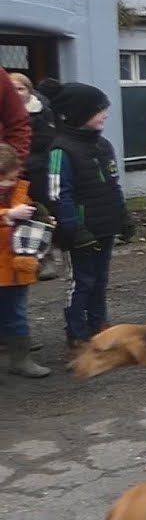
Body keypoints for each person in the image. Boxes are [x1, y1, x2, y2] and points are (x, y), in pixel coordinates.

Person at [45, 81, 132, 364]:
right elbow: (58, 195)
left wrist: (123, 216)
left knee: (100, 280)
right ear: (80, 114)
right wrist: (75, 229)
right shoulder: (61, 150)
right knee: (81, 282)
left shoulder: (103, 145)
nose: (105, 114)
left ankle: (99, 328)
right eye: (99, 110)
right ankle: (77, 335)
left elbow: (113, 184)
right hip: (80, 233)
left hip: (104, 227)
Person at [0, 143, 50, 377]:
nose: (10, 183)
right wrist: (8, 214)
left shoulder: (20, 191)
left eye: (13, 178)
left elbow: (30, 214)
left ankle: (20, 359)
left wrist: (41, 220)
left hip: (16, 268)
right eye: (6, 179)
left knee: (17, 314)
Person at [9, 73, 57, 282]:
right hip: (8, 171)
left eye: (21, 88)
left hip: (35, 170)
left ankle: (44, 256)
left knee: (38, 212)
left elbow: (44, 141)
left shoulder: (42, 112)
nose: (17, 93)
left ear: (29, 91)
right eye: (12, 89)